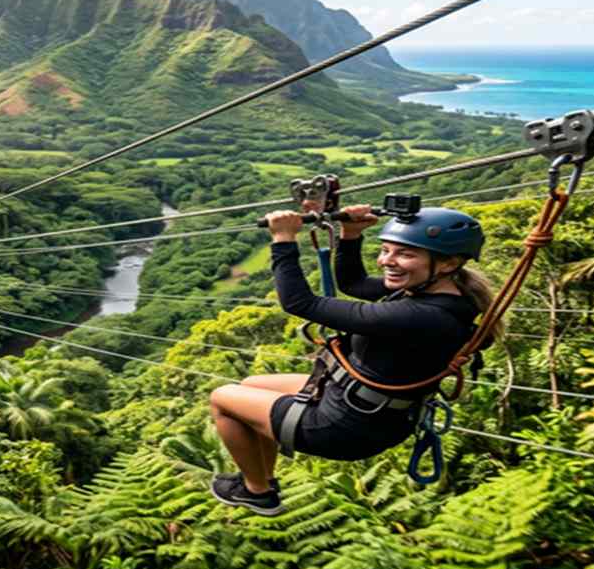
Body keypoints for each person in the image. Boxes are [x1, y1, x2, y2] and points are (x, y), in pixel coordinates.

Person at [208, 203, 495, 515]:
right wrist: (351, 234)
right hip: (356, 404)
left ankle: (257, 491)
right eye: (385, 250)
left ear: (448, 263)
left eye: (405, 254)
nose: (388, 261)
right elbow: (354, 283)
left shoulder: (419, 315)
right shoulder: (436, 293)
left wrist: (284, 240)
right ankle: (263, 477)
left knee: (222, 398)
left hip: (343, 427)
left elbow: (298, 302)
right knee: (250, 385)